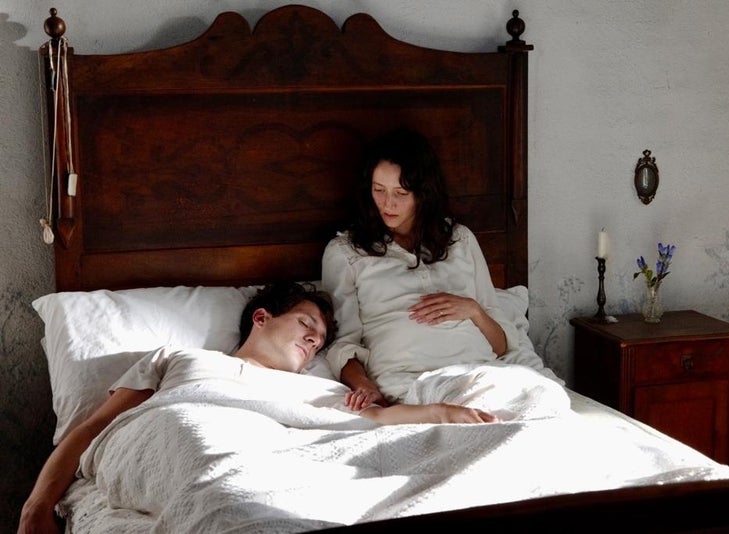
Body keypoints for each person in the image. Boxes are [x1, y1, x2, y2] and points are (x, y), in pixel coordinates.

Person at [18, 281, 494, 534]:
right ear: (262, 318)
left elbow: (379, 419)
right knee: (228, 492)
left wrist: (445, 414)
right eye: (306, 324)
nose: (314, 340)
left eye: (320, 340)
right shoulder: (181, 359)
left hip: (274, 452)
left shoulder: (316, 392)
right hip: (182, 429)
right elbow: (93, 428)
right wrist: (36, 506)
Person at [322, 128, 520, 412]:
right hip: (409, 381)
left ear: (424, 193)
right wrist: (363, 384)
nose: (388, 204)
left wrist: (473, 310)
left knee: (545, 396)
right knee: (469, 417)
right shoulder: (346, 252)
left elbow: (501, 346)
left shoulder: (460, 239)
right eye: (379, 190)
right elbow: (343, 343)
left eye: (401, 193)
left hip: (480, 373)